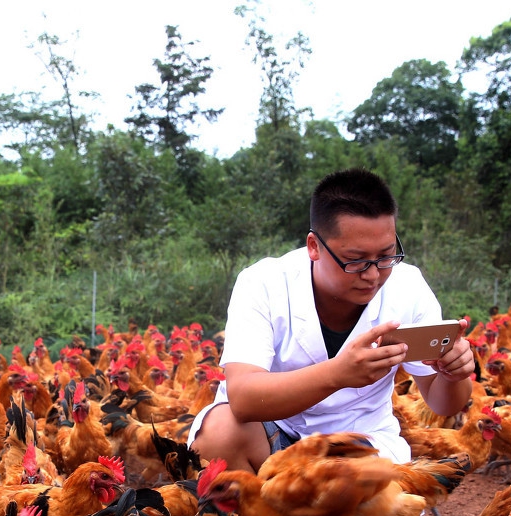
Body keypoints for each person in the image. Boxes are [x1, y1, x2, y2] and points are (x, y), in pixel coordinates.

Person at [188, 167, 474, 471]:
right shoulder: (263, 282)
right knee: (219, 433)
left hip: (358, 443)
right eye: (356, 260)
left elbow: (442, 403)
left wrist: (454, 375)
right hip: (274, 434)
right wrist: (337, 373)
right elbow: (243, 399)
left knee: (353, 484)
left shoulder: (408, 287)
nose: (373, 274)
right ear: (314, 247)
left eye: (386, 255)